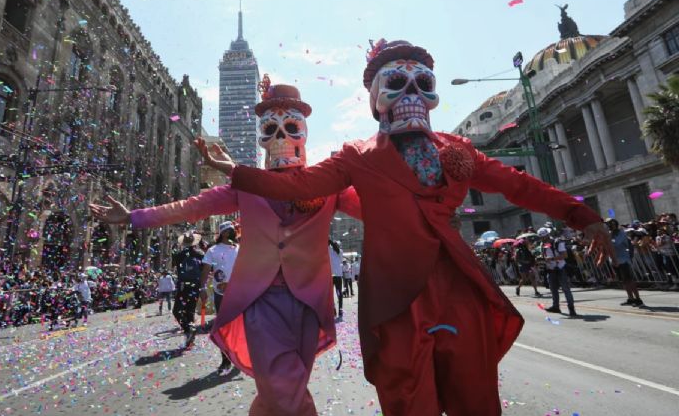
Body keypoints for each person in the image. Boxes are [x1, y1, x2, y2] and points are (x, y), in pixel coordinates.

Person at [199, 39, 614, 416]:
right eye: (398, 82)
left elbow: (519, 186)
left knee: (477, 398)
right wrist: (234, 172)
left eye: (424, 83)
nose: (413, 94)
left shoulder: (458, 149)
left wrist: (585, 217)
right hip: (395, 303)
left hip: (459, 291)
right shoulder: (357, 156)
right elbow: (301, 184)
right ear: (376, 98)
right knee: (409, 402)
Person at [92, 80, 361, 416]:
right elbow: (190, 207)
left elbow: (378, 209)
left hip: (309, 303)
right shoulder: (244, 187)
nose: (280, 137)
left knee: (281, 392)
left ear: (304, 131)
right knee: (283, 389)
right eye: (270, 128)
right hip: (260, 302)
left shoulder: (327, 184)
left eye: (290, 126)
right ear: (261, 135)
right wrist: (134, 217)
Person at [200, 221, 240, 375]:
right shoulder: (213, 250)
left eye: (232, 231)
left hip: (239, 294)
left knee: (239, 327)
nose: (231, 233)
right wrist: (202, 288)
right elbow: (205, 270)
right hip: (220, 294)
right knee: (223, 328)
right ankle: (225, 360)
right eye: (228, 231)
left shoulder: (239, 248)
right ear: (222, 233)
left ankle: (238, 357)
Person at [171, 233, 205, 347]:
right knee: (190, 311)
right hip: (195, 286)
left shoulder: (179, 255)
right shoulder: (200, 254)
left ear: (184, 243)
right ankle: (190, 337)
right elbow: (204, 271)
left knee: (177, 310)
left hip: (183, 285)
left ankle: (188, 330)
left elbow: (177, 270)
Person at [540, 227, 578, 317]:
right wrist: (542, 259)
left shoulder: (557, 242)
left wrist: (552, 259)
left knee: (566, 289)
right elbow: (545, 255)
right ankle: (555, 307)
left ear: (547, 235)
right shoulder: (543, 244)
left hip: (560, 268)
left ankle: (571, 309)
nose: (542, 239)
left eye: (543, 237)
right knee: (553, 290)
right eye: (541, 237)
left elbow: (565, 255)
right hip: (550, 270)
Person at [606, 218, 643, 306]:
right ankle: (630, 298)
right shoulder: (609, 234)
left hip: (623, 260)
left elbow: (616, 243)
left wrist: (609, 238)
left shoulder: (621, 233)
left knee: (629, 280)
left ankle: (638, 299)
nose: (611, 225)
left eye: (612, 223)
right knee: (624, 281)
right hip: (615, 261)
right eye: (609, 224)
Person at [328, 240, 344, 319]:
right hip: (336, 275)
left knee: (335, 293)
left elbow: (333, 247)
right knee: (337, 293)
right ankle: (337, 309)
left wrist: (330, 242)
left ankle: (337, 309)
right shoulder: (338, 251)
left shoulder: (339, 251)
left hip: (333, 275)